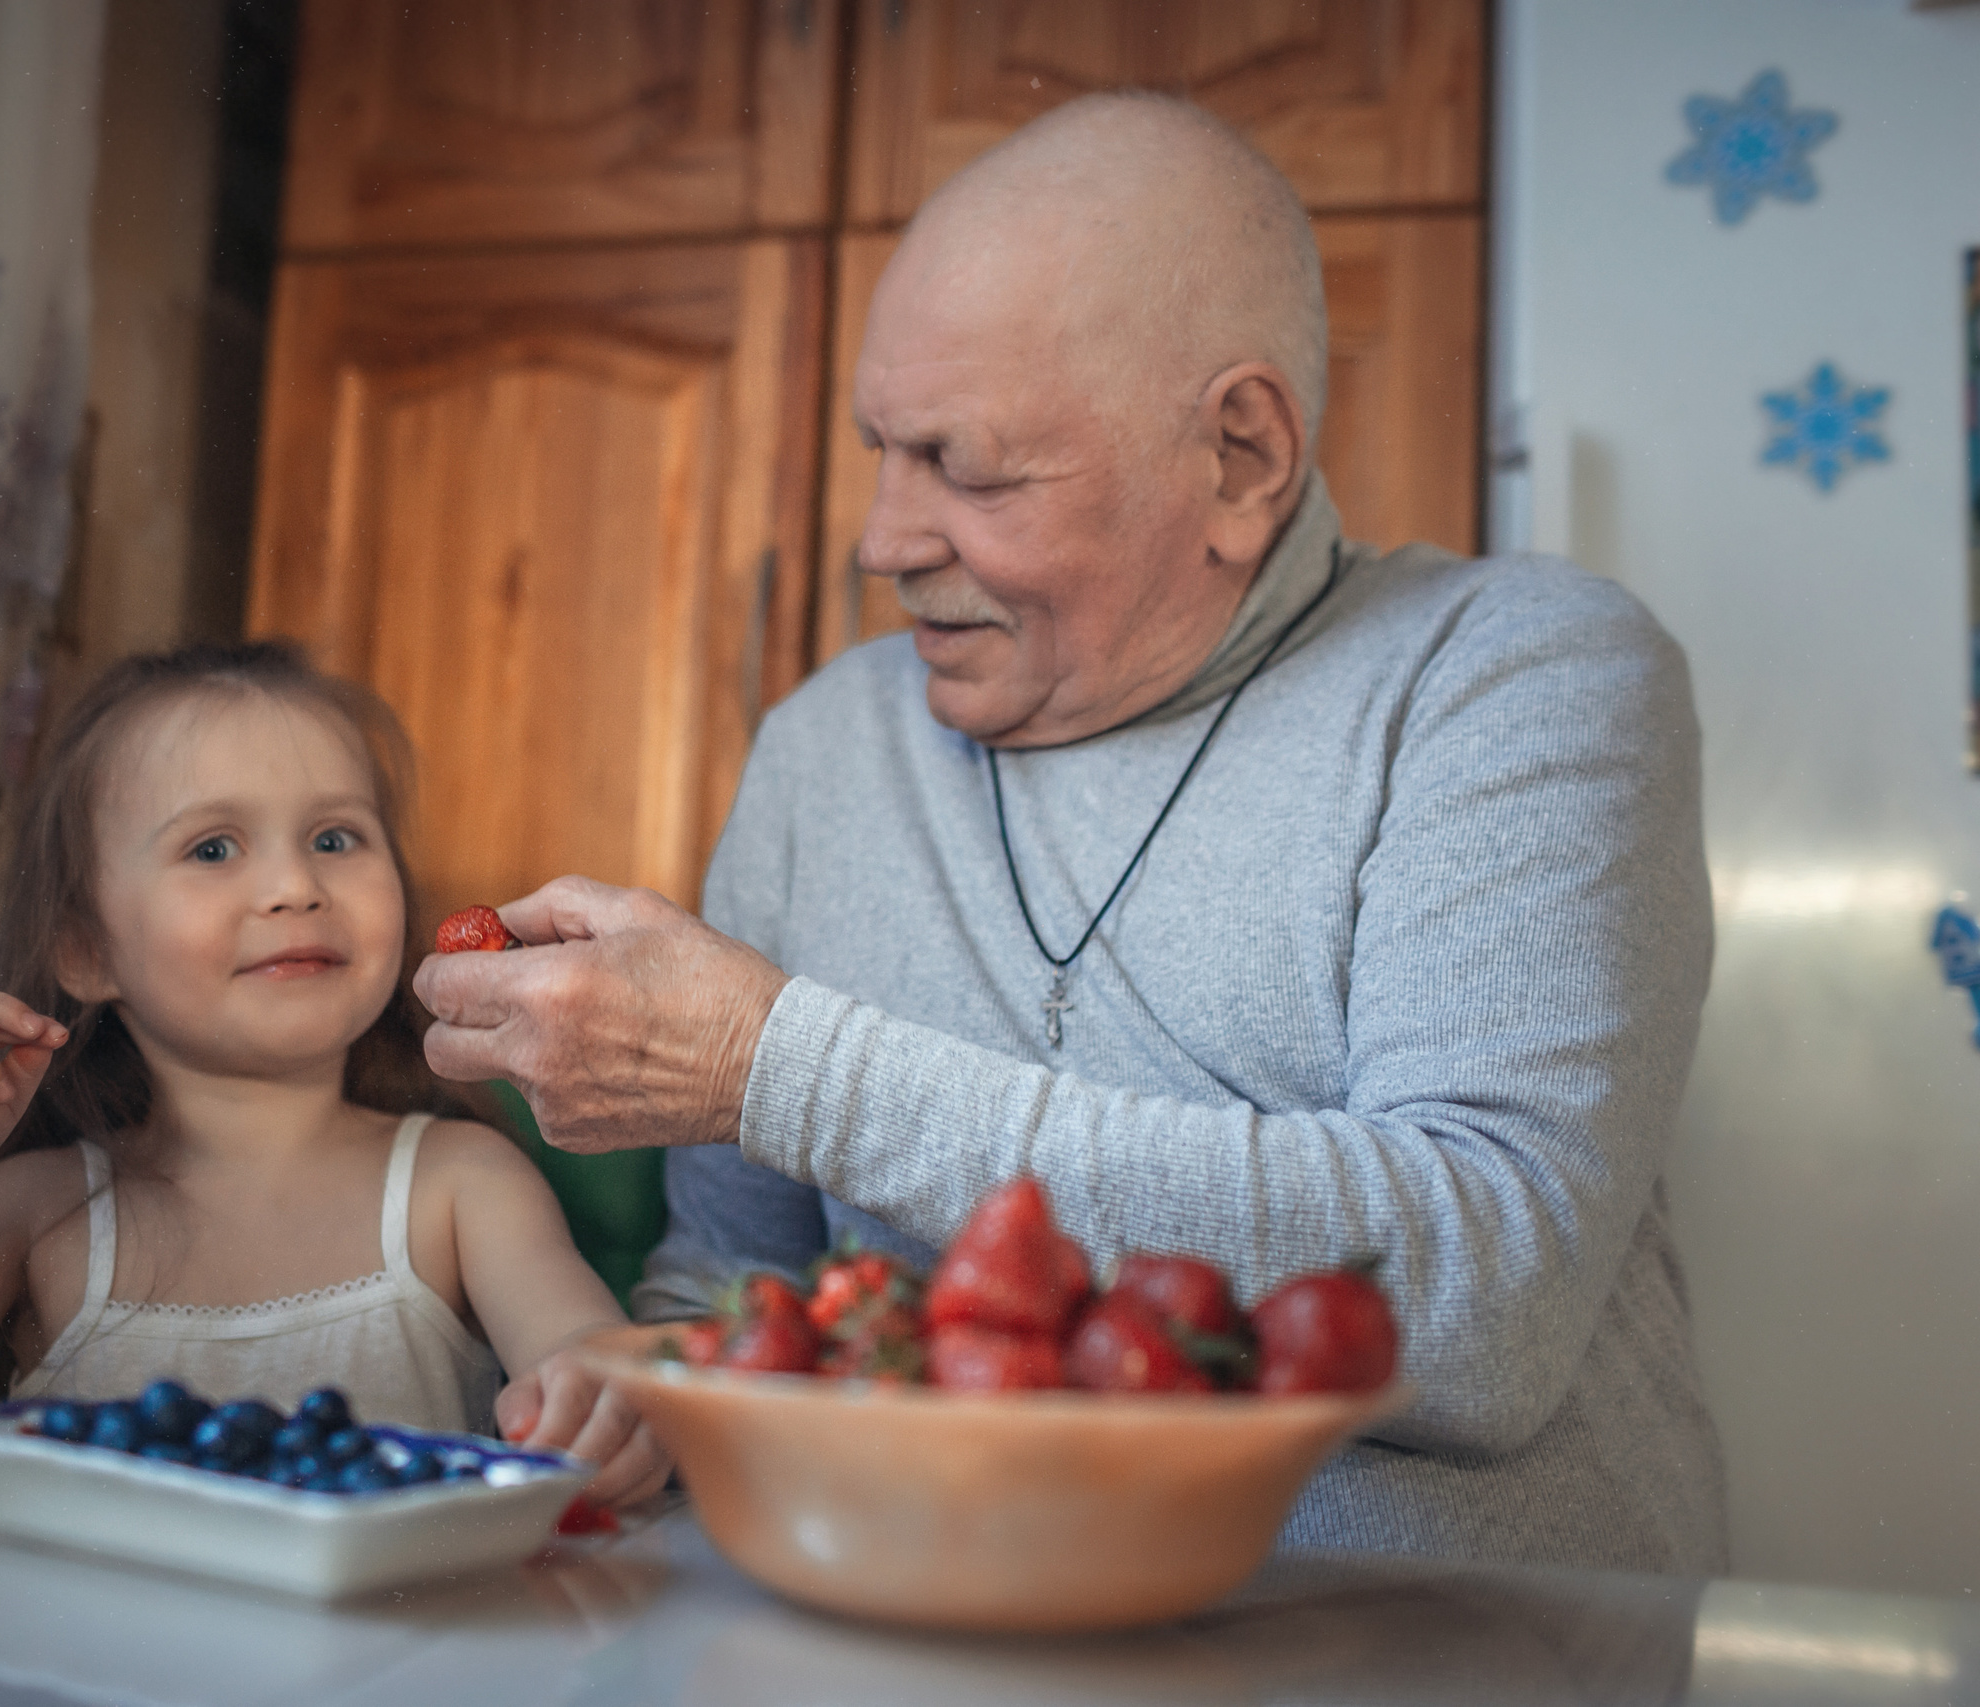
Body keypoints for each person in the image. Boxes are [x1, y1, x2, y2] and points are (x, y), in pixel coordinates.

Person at [414, 92, 1727, 1569]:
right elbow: (732, 1274)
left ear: (1239, 457)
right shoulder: (828, 744)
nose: (882, 540)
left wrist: (772, 1063)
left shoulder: (1514, 673)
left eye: (965, 467)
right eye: (879, 452)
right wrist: (636, 1388)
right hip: (905, 1633)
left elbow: (1487, 1293)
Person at [0, 641, 667, 1506]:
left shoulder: (461, 1183)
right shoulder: (38, 1212)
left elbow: (592, 1366)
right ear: (86, 949)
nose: (296, 885)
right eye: (213, 848)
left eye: (336, 837)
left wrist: (615, 1405)